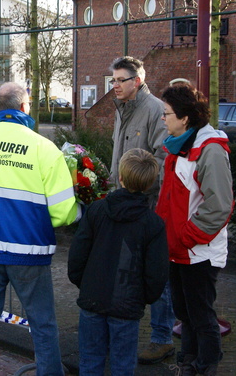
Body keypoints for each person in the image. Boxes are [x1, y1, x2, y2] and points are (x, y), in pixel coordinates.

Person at [0, 82, 81, 376]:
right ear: (24, 108)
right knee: (42, 325)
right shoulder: (45, 150)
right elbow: (63, 213)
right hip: (28, 251)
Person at [68, 148, 169, 376]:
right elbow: (157, 272)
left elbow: (77, 256)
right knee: (122, 366)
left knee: (90, 362)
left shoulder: (96, 210)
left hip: (93, 299)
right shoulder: (153, 224)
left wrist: (84, 284)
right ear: (150, 183)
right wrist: (143, 298)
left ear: (120, 177)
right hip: (127, 305)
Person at [156, 83, 234, 376]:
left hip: (197, 251)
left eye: (167, 114)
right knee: (184, 313)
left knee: (201, 315)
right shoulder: (180, 145)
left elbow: (220, 205)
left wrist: (187, 239)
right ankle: (187, 361)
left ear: (185, 118)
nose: (163, 119)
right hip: (178, 248)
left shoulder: (209, 150)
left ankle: (206, 366)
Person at [108, 56, 176, 364]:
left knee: (156, 273)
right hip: (122, 203)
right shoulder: (122, 110)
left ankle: (162, 337)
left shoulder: (154, 110)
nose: (114, 86)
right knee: (125, 272)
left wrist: (136, 190)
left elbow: (162, 161)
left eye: (120, 80)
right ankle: (125, 333)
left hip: (146, 207)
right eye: (113, 80)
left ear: (137, 81)